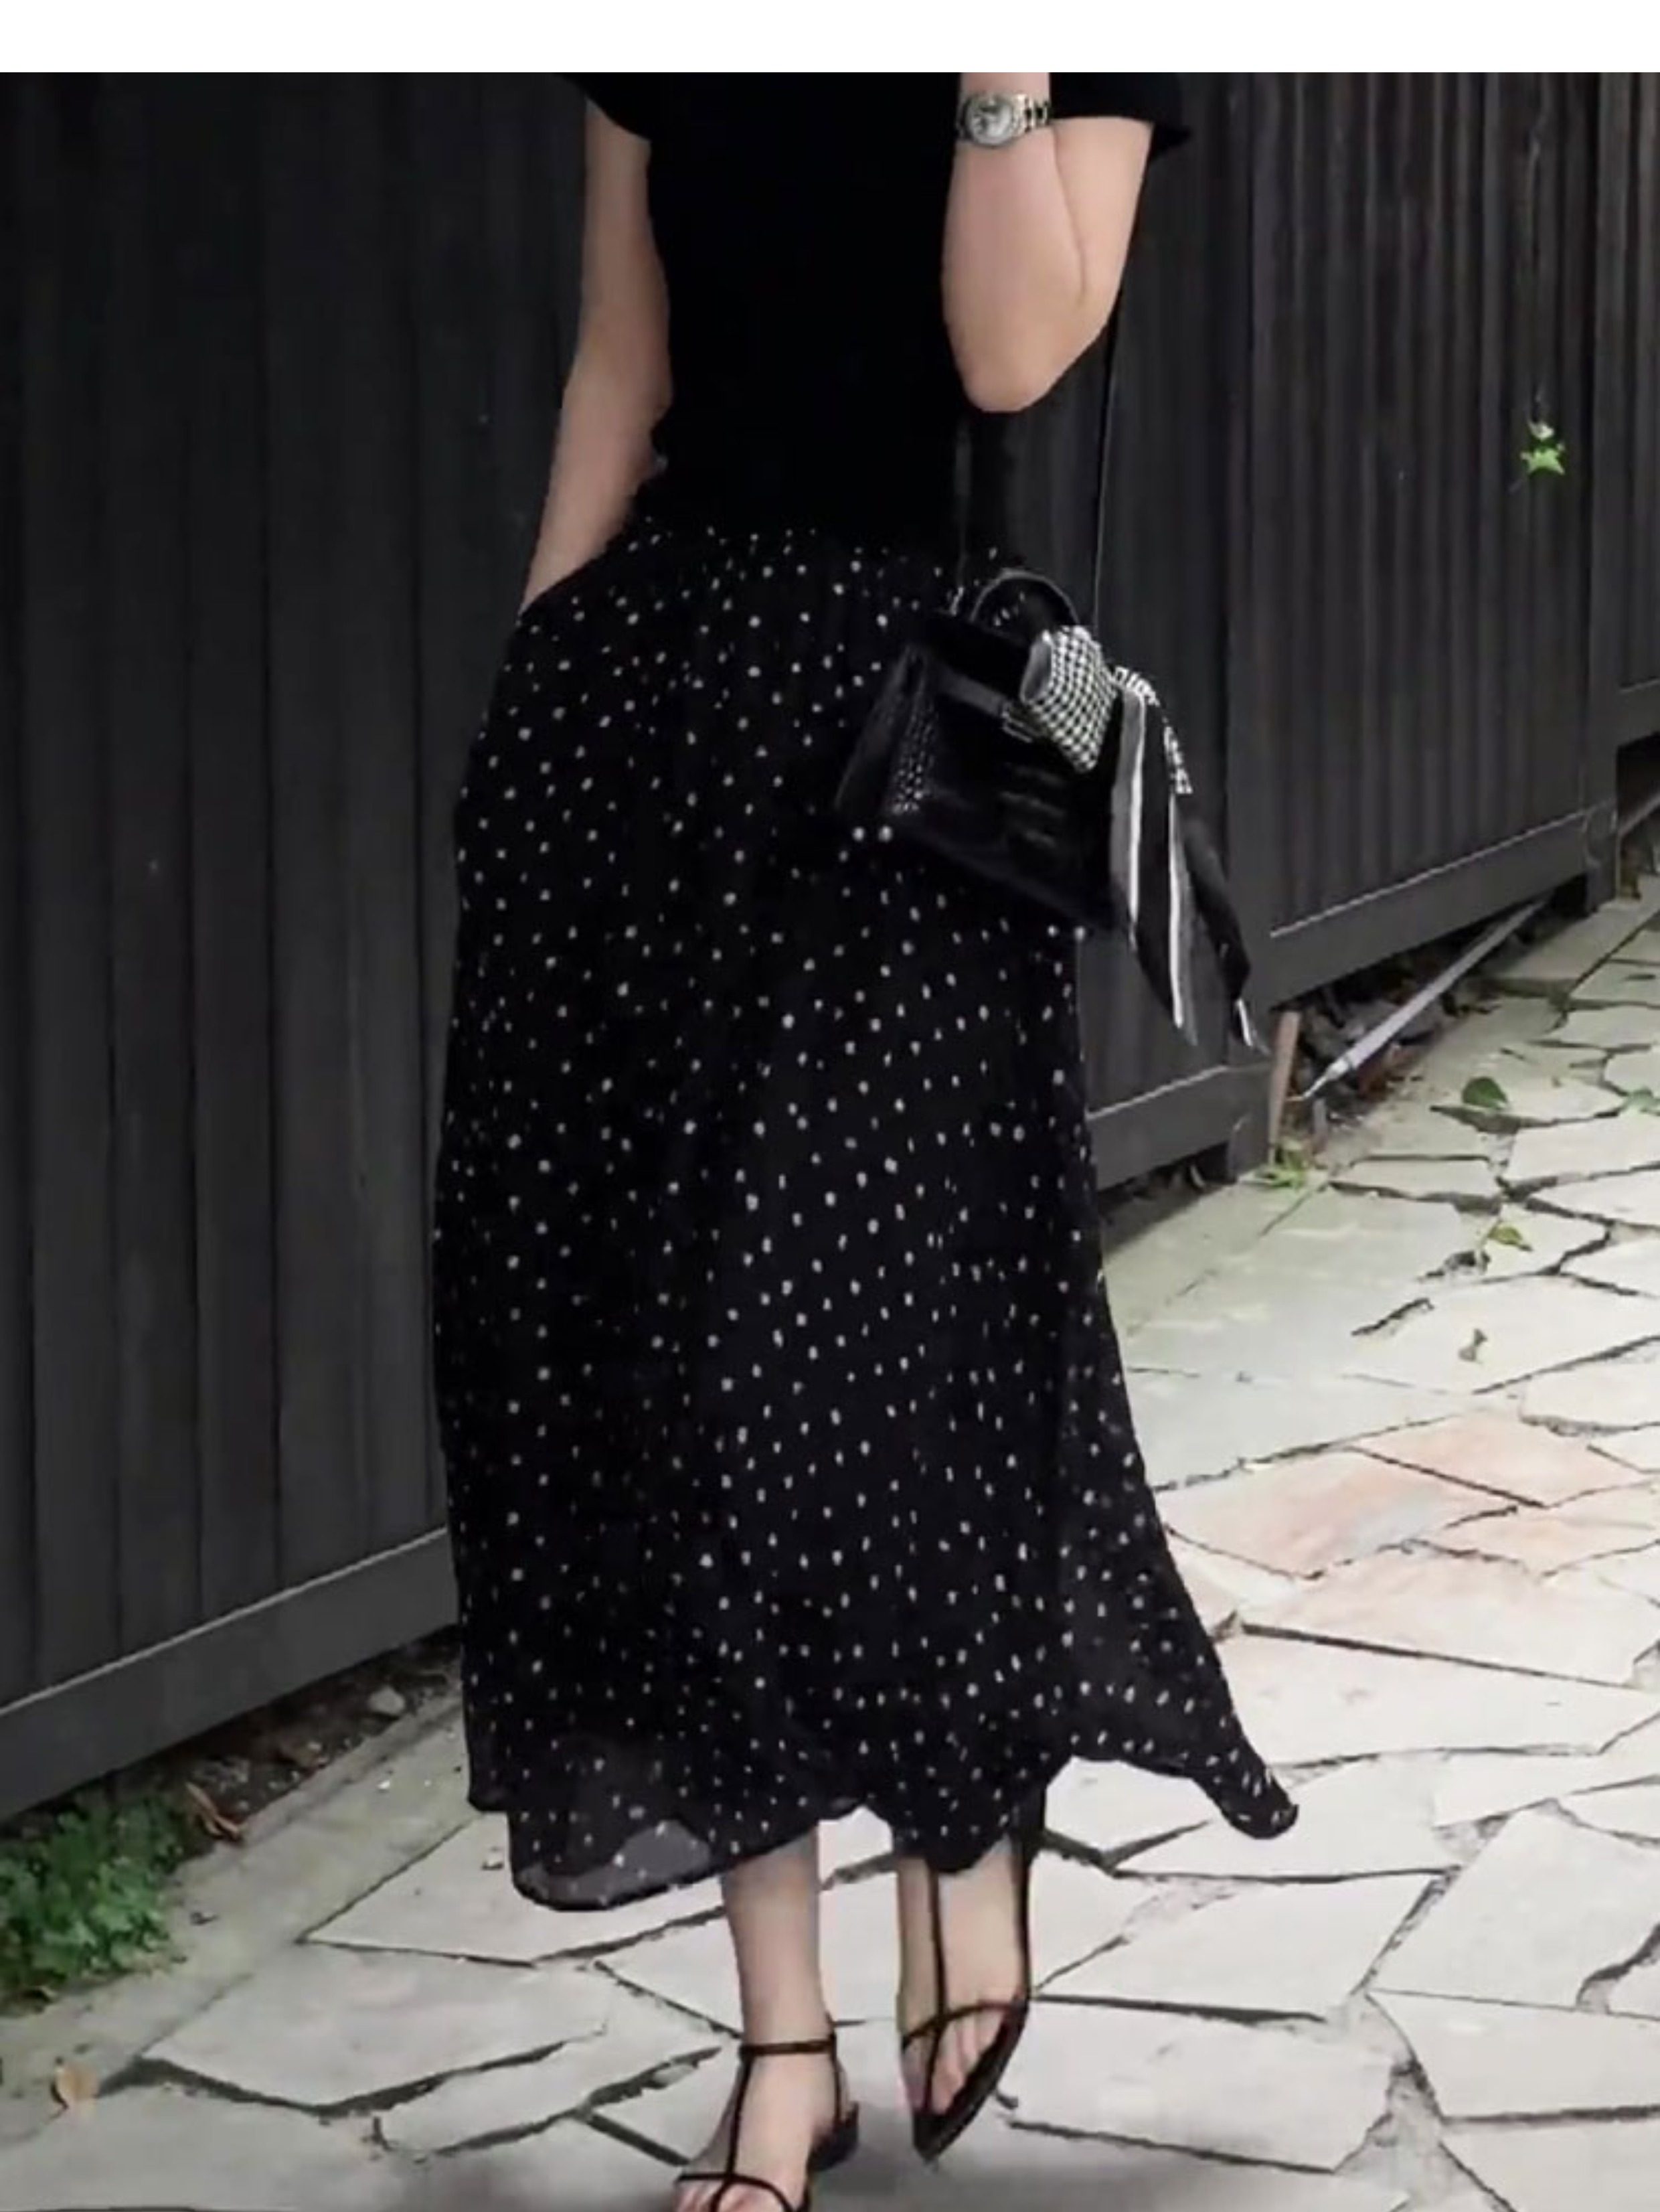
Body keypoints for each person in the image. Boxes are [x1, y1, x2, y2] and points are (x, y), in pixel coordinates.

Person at [434, 71, 1294, 2212]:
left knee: (900, 1372)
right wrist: (537, 687)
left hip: (902, 766)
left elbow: (1012, 351)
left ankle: (964, 1825)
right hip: (658, 729)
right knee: (682, 1402)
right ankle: (782, 2044)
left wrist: (993, 65)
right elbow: (623, 358)